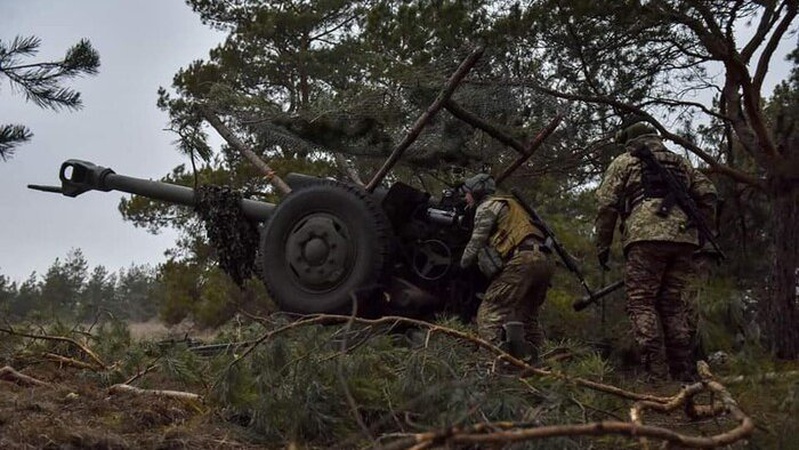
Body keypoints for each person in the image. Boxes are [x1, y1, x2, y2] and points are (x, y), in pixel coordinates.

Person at [594, 122, 718, 382]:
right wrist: (700, 230)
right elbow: (708, 193)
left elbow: (606, 205)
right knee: (673, 304)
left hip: (645, 237)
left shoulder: (626, 160)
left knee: (641, 301)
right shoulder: (681, 162)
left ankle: (656, 374)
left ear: (631, 142)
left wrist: (602, 245)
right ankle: (683, 373)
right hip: (684, 239)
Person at [459, 173, 555, 362]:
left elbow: (476, 242)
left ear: (477, 192)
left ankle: (491, 364)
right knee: (528, 318)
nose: (465, 197)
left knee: (489, 312)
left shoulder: (488, 206)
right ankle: (542, 364)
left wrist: (462, 264)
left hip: (524, 259)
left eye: (467, 193)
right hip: (546, 260)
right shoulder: (515, 206)